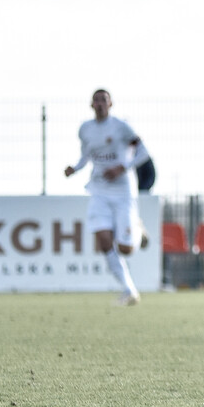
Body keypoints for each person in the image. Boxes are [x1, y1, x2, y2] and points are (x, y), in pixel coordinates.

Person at [65, 89, 151, 305]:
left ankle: (137, 231)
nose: (100, 103)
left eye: (104, 100)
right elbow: (86, 155)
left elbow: (143, 153)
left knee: (126, 248)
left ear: (111, 104)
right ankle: (129, 290)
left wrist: (122, 168)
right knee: (104, 241)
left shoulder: (121, 127)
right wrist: (74, 168)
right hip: (99, 190)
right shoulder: (85, 129)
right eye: (97, 100)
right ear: (91, 105)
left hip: (123, 192)